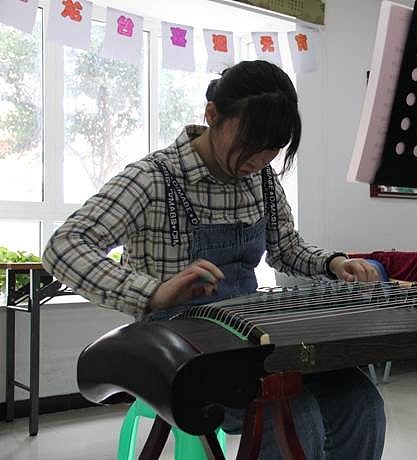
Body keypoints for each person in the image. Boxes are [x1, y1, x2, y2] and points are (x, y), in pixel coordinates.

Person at [42, 60, 386, 458]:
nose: (260, 159)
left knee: (360, 402)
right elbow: (63, 246)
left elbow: (286, 248)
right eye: (251, 142)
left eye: (273, 148)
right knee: (293, 412)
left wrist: (333, 264)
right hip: (180, 348)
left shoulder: (262, 180)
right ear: (212, 115)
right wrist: (154, 292)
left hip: (249, 336)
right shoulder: (153, 178)